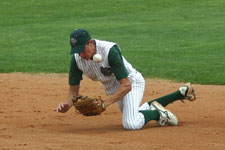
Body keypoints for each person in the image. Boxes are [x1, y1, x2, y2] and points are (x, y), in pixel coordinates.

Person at [55, 29, 196, 130]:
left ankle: (158, 114)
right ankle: (180, 93)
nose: (81, 54)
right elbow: (73, 91)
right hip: (117, 89)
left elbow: (126, 85)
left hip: (131, 83)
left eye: (82, 49)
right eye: (77, 51)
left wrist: (105, 103)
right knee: (134, 114)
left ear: (91, 43)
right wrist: (66, 105)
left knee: (131, 123)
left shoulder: (110, 50)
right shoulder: (77, 59)